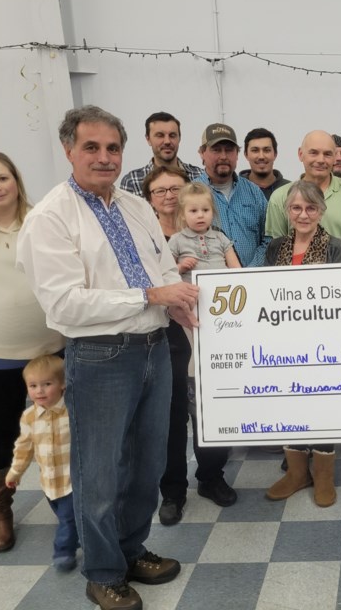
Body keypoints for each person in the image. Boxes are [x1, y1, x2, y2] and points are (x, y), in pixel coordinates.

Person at [17, 105, 199, 610]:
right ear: (68, 150)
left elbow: (162, 269)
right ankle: (101, 572)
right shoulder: (51, 217)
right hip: (99, 356)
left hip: (154, 349)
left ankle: (130, 549)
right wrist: (151, 296)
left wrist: (178, 301)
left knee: (148, 462)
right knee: (100, 473)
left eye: (113, 148)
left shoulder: (136, 206)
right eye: (91, 147)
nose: (104, 157)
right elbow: (64, 303)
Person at [0, 152, 64, 553]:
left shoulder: (43, 223)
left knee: (61, 431)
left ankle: (68, 504)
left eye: (1, 177)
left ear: (16, 179)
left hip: (49, 349)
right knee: (0, 434)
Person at [140, 167, 234, 526]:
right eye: (160, 190)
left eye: (173, 188)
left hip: (215, 330)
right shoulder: (151, 238)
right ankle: (173, 492)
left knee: (215, 409)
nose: (167, 194)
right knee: (173, 415)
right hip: (170, 335)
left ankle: (211, 477)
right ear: (152, 198)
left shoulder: (216, 237)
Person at [263, 181, 341, 507]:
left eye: (310, 208)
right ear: (288, 211)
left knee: (322, 406)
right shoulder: (276, 249)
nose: (303, 214)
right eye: (297, 208)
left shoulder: (335, 247)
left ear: (321, 211)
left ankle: (324, 474)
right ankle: (298, 472)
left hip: (323, 343)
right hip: (283, 342)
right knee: (289, 405)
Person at [5, 355, 77, 571]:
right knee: (66, 517)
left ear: (62, 383)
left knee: (68, 519)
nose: (40, 391)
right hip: (49, 483)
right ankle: (79, 535)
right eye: (33, 386)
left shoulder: (73, 411)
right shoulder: (29, 417)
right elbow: (24, 446)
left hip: (72, 480)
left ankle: (64, 552)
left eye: (47, 384)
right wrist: (15, 472)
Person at [266, 130, 341, 262]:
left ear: (334, 158)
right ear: (300, 154)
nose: (321, 160)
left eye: (327, 154)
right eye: (314, 153)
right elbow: (276, 251)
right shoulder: (280, 197)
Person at [195, 122, 270, 267]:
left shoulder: (254, 192)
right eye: (216, 150)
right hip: (208, 283)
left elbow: (268, 238)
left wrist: (249, 272)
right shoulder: (191, 193)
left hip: (253, 280)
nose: (223, 156)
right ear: (202, 153)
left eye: (229, 150)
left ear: (237, 154)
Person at [169, 182, 243, 281]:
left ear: (212, 212)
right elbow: (167, 273)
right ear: (182, 214)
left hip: (223, 291)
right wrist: (181, 267)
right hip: (192, 294)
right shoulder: (176, 240)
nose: (200, 215)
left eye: (205, 210)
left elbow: (236, 269)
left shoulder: (221, 238)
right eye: (194, 211)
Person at [119, 111, 205, 196]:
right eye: (160, 135)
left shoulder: (199, 176)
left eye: (172, 135)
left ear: (179, 138)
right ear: (148, 139)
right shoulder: (132, 182)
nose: (167, 141)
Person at [239, 128, 291, 200]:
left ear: (275, 154)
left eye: (267, 150)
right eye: (255, 150)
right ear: (246, 155)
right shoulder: (236, 189)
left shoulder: (290, 190)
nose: (261, 156)